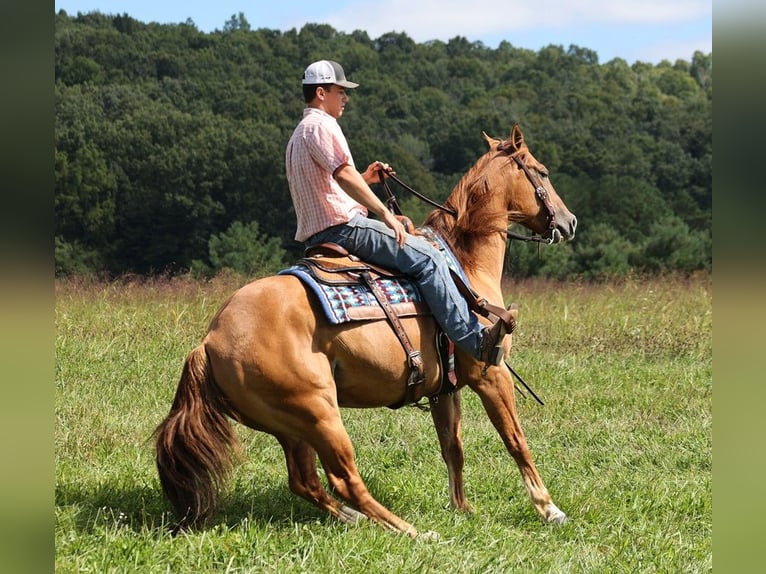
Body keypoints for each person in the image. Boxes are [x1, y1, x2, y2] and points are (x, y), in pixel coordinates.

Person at [285, 59, 515, 366]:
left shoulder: (298, 134)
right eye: (340, 91)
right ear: (321, 92)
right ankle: (476, 341)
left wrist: (367, 179)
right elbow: (343, 175)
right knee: (429, 258)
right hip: (343, 227)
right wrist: (385, 213)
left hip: (318, 230)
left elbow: (323, 185)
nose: (346, 98)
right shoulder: (324, 126)